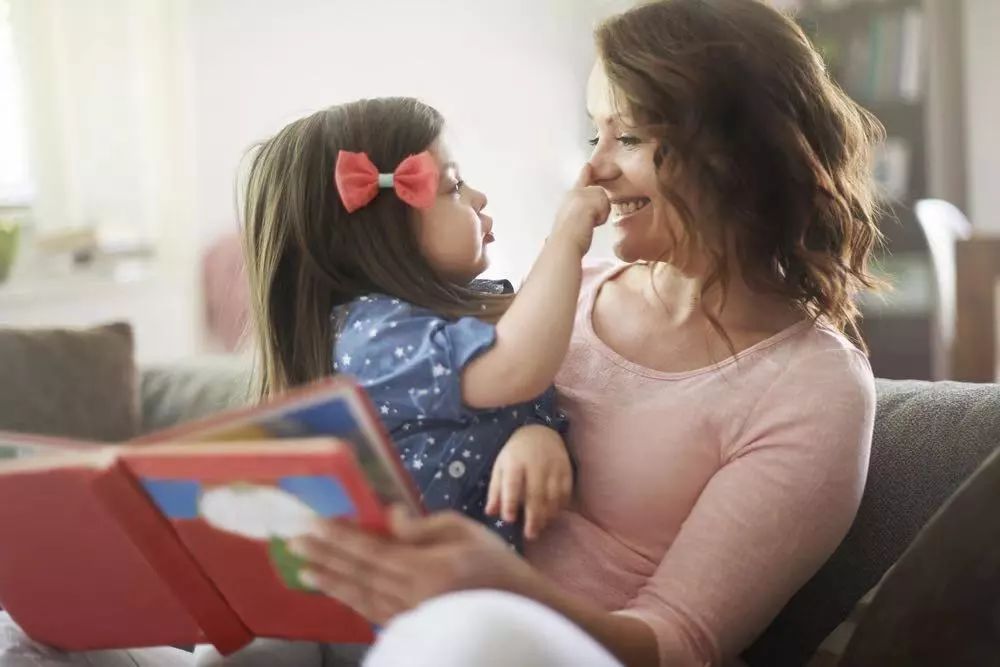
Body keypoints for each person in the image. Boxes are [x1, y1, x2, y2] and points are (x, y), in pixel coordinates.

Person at [0, 1, 881, 666]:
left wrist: (500, 586)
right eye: (592, 131)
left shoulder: (813, 387)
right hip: (390, 621)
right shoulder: (563, 291)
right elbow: (493, 393)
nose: (593, 167)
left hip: (532, 642)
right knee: (44, 630)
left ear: (733, 148)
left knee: (467, 634)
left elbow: (678, 641)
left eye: (632, 135)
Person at [237, 96, 610, 549]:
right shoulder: (370, 338)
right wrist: (567, 239)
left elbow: (517, 394)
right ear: (383, 229)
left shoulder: (468, 317)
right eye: (454, 187)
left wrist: (536, 434)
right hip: (405, 597)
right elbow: (516, 370)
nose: (479, 197)